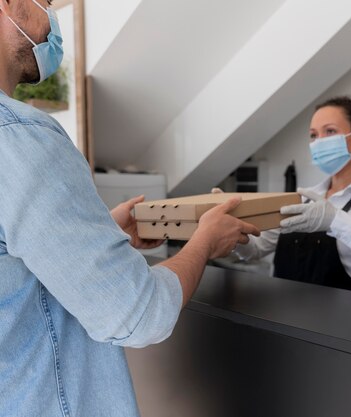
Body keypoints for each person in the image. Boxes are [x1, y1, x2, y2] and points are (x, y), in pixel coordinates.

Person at [0, 1, 259, 415]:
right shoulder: (21, 136)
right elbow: (139, 313)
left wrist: (101, 232)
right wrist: (206, 241)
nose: (51, 16)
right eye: (46, 2)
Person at [234, 95, 351, 293]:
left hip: (342, 320)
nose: (319, 142)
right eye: (314, 135)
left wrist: (335, 221)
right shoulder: (303, 197)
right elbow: (255, 250)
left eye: (330, 131)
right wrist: (234, 234)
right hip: (281, 315)